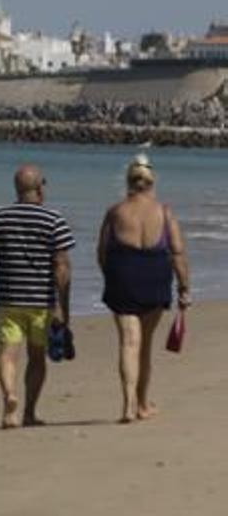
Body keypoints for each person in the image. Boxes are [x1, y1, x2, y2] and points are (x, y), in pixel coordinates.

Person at [0, 164, 75, 429]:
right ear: (39, 189)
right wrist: (63, 306)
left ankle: (9, 399)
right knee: (36, 358)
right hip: (41, 303)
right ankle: (28, 412)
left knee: (7, 354)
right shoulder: (53, 219)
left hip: (9, 299)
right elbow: (62, 265)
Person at [97, 155, 192, 423]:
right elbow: (177, 252)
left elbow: (102, 252)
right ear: (152, 182)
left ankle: (128, 406)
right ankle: (142, 404)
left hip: (123, 278)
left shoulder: (115, 211)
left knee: (129, 342)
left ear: (128, 182)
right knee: (145, 345)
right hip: (155, 279)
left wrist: (112, 278)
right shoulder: (165, 212)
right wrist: (185, 288)